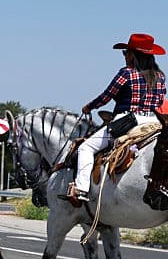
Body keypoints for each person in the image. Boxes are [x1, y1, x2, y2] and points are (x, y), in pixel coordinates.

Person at [61, 33, 166, 205]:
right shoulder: (160, 76)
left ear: (133, 55)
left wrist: (89, 106)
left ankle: (81, 189)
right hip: (153, 123)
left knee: (86, 148)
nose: (125, 56)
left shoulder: (127, 73)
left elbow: (106, 96)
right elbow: (161, 100)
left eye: (126, 53)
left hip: (128, 121)